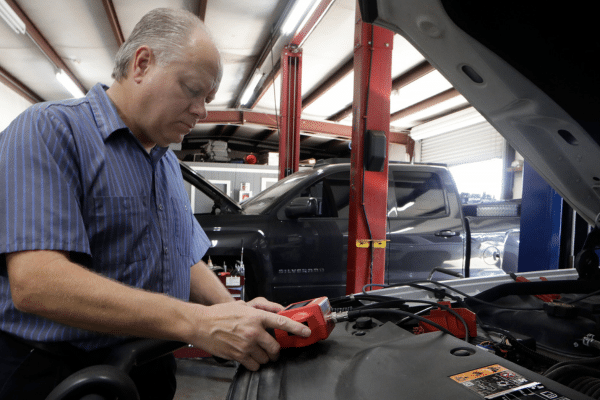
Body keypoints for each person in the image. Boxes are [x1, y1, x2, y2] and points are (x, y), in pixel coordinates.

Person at [0, 7, 310, 400]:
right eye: (192, 89)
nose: (201, 110)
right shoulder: (49, 130)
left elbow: (185, 257)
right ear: (142, 63)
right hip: (57, 374)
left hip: (146, 363)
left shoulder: (164, 161)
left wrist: (234, 312)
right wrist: (197, 323)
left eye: (208, 98)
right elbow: (36, 283)